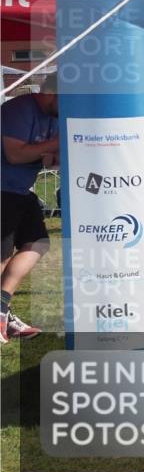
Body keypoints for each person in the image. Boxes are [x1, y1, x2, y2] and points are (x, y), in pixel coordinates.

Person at [0, 74, 59, 342]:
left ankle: (2, 310)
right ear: (51, 94)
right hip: (3, 189)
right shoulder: (19, 109)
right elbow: (16, 154)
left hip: (21, 191)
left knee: (38, 243)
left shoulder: (54, 116)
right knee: (2, 256)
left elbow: (46, 157)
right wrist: (55, 144)